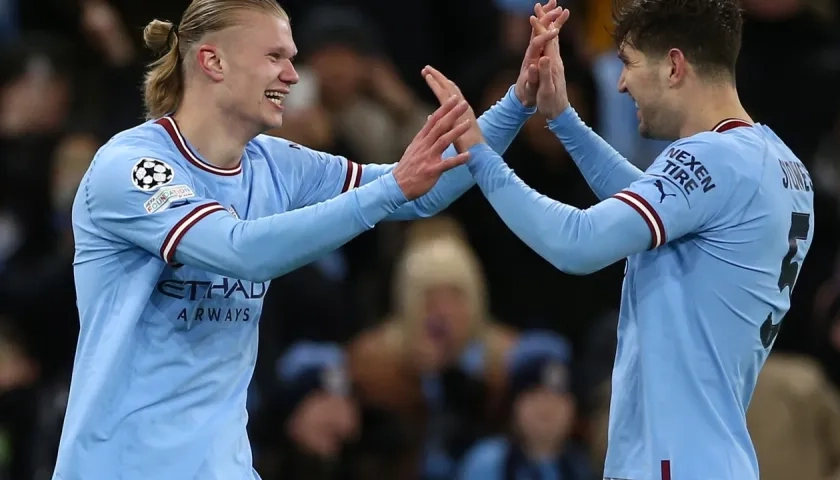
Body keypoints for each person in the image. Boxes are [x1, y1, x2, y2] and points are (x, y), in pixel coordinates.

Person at [51, 0, 565, 479]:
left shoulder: (277, 164)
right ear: (213, 62)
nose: (294, 75)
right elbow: (239, 250)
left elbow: (421, 192)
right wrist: (390, 188)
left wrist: (516, 104)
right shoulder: (132, 167)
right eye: (275, 56)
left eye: (292, 58)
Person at [423, 1, 816, 479]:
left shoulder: (713, 159)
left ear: (674, 66)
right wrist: (563, 119)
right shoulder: (776, 161)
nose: (620, 83)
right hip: (713, 453)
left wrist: (480, 154)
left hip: (671, 460)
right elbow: (650, 203)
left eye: (629, 63)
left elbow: (577, 241)